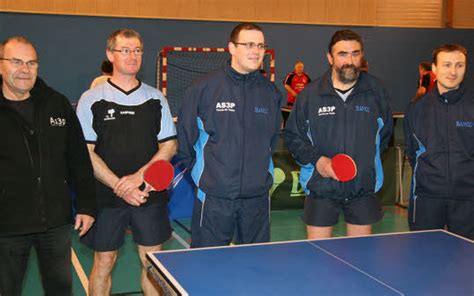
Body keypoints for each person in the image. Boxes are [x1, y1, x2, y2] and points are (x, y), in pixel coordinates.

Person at [76, 29, 177, 295]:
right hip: (106, 198)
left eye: (137, 51)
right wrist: (120, 185)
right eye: (125, 50)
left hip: (148, 195)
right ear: (110, 54)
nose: (132, 56)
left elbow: (169, 145)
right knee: (104, 261)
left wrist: (138, 180)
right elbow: (84, 151)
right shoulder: (91, 99)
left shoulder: (156, 98)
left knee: (152, 264)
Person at [0, 36, 96, 295]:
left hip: (56, 223)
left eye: (31, 62)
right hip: (7, 227)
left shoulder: (57, 103)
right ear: (1, 65)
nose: (25, 69)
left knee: (60, 290)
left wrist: (86, 205)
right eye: (16, 61)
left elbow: (78, 159)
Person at [177, 22, 283, 248]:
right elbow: (185, 143)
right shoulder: (202, 89)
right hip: (214, 199)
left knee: (255, 268)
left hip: (257, 201)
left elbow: (271, 141)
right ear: (232, 48)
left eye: (261, 45)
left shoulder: (271, 92)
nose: (256, 51)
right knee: (208, 267)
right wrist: (205, 178)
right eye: (249, 44)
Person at [284, 30, 393, 239]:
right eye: (342, 54)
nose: (349, 60)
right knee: (319, 257)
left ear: (361, 56)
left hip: (362, 190)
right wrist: (317, 161)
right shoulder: (310, 94)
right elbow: (293, 137)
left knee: (360, 259)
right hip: (321, 188)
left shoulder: (376, 91)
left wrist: (365, 165)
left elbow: (385, 135)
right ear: (330, 57)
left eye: (355, 53)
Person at [404, 44, 473, 240]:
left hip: (468, 200)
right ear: (434, 69)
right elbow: (412, 152)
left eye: (459, 65)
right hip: (426, 199)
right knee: (425, 258)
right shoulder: (416, 109)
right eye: (447, 65)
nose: (453, 71)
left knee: (466, 264)